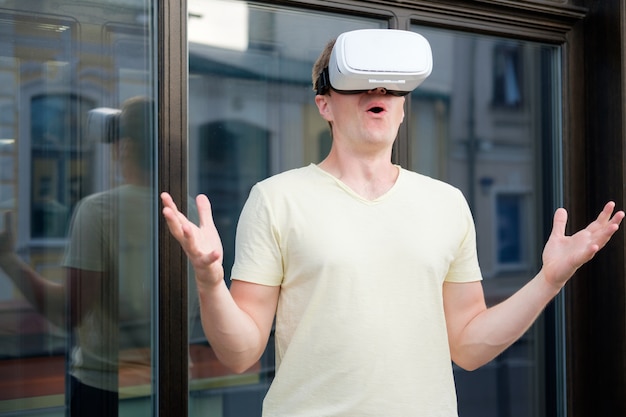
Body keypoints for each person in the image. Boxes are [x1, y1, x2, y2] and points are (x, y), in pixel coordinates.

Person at [160, 33, 624, 416]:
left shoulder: (447, 203)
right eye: (359, 82)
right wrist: (209, 281)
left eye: (389, 86)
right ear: (325, 105)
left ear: (403, 106)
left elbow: (467, 345)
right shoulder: (276, 199)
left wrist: (548, 281)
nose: (377, 92)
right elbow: (240, 354)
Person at [0, 96, 156, 417]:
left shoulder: (98, 212)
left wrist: (8, 260)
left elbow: (69, 311)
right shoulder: (189, 211)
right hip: (169, 385)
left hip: (106, 390)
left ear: (123, 146)